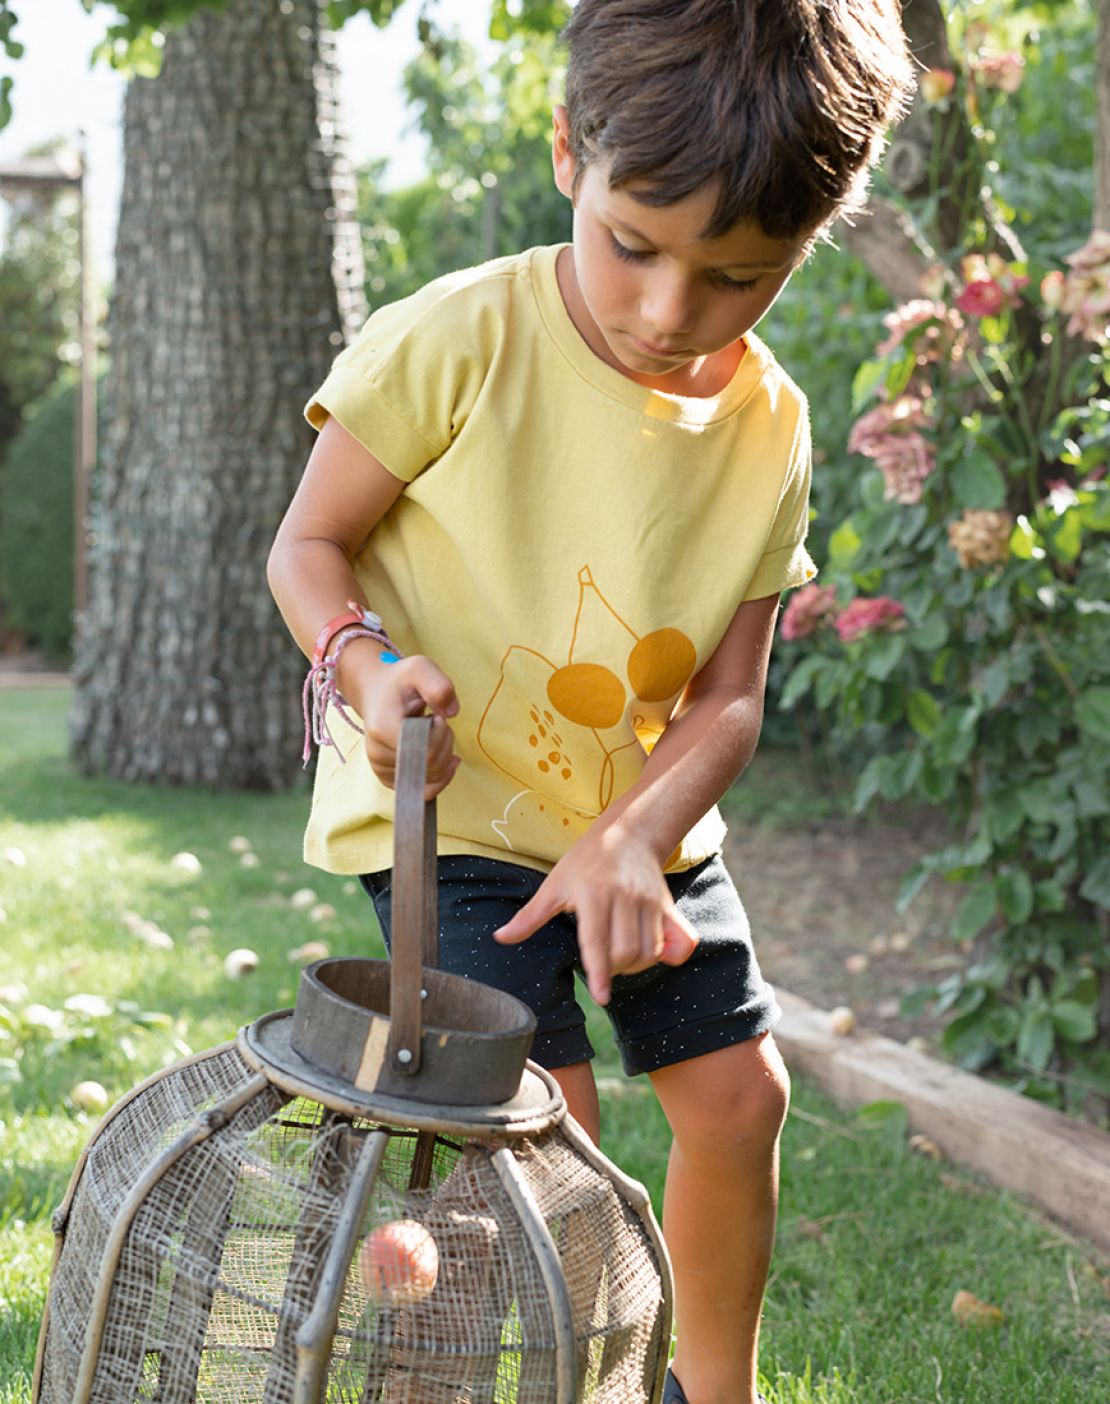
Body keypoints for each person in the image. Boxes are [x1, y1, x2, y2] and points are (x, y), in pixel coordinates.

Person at [268, 3, 914, 1399]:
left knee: (739, 1099)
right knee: (537, 1136)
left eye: (739, 277)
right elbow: (305, 548)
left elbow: (731, 698)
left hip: (641, 823)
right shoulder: (454, 339)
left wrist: (632, 834)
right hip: (461, 814)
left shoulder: (773, 429)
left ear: (807, 244)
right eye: (633, 245)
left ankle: (709, 1388)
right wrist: (370, 674)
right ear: (571, 152)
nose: (668, 313)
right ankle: (560, 1377)